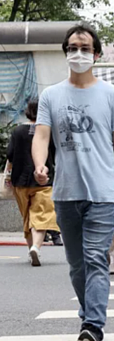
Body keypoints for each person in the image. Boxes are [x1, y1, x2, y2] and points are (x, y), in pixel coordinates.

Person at [32, 24, 114, 341]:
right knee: (77, 266)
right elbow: (42, 135)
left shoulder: (112, 95)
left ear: (96, 54)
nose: (78, 53)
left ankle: (92, 325)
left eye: (85, 48)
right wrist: (40, 164)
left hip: (104, 194)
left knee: (94, 259)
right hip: (65, 193)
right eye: (73, 47)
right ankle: (88, 316)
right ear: (66, 51)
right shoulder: (51, 95)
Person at [7, 98, 60, 266]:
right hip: (44, 179)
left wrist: (7, 174)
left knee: (27, 217)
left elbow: (10, 155)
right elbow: (56, 154)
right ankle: (35, 247)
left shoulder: (18, 131)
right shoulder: (48, 131)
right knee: (42, 215)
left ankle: (32, 249)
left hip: (20, 179)